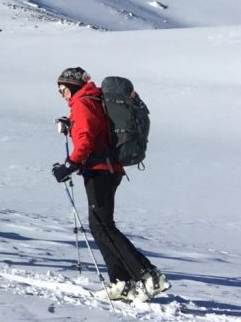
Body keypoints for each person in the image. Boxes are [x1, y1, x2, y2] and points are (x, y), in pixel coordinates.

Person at [52, 67, 168, 302]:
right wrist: (70, 124)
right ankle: (121, 281)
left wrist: (69, 165)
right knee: (100, 225)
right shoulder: (92, 100)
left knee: (103, 226)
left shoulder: (83, 104)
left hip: (99, 170)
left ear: (72, 86)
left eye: (63, 89)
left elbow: (85, 140)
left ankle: (148, 275)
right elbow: (95, 130)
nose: (62, 95)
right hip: (108, 169)